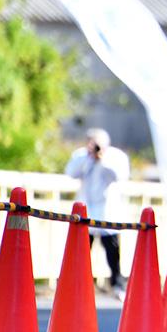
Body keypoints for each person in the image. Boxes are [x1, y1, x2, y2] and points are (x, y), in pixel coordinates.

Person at [65, 128, 130, 299]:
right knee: (82, 252)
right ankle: (77, 286)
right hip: (86, 209)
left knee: (113, 252)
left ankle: (117, 285)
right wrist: (89, 158)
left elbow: (119, 176)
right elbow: (71, 173)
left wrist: (101, 159)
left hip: (108, 211)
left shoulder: (116, 156)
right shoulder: (81, 155)